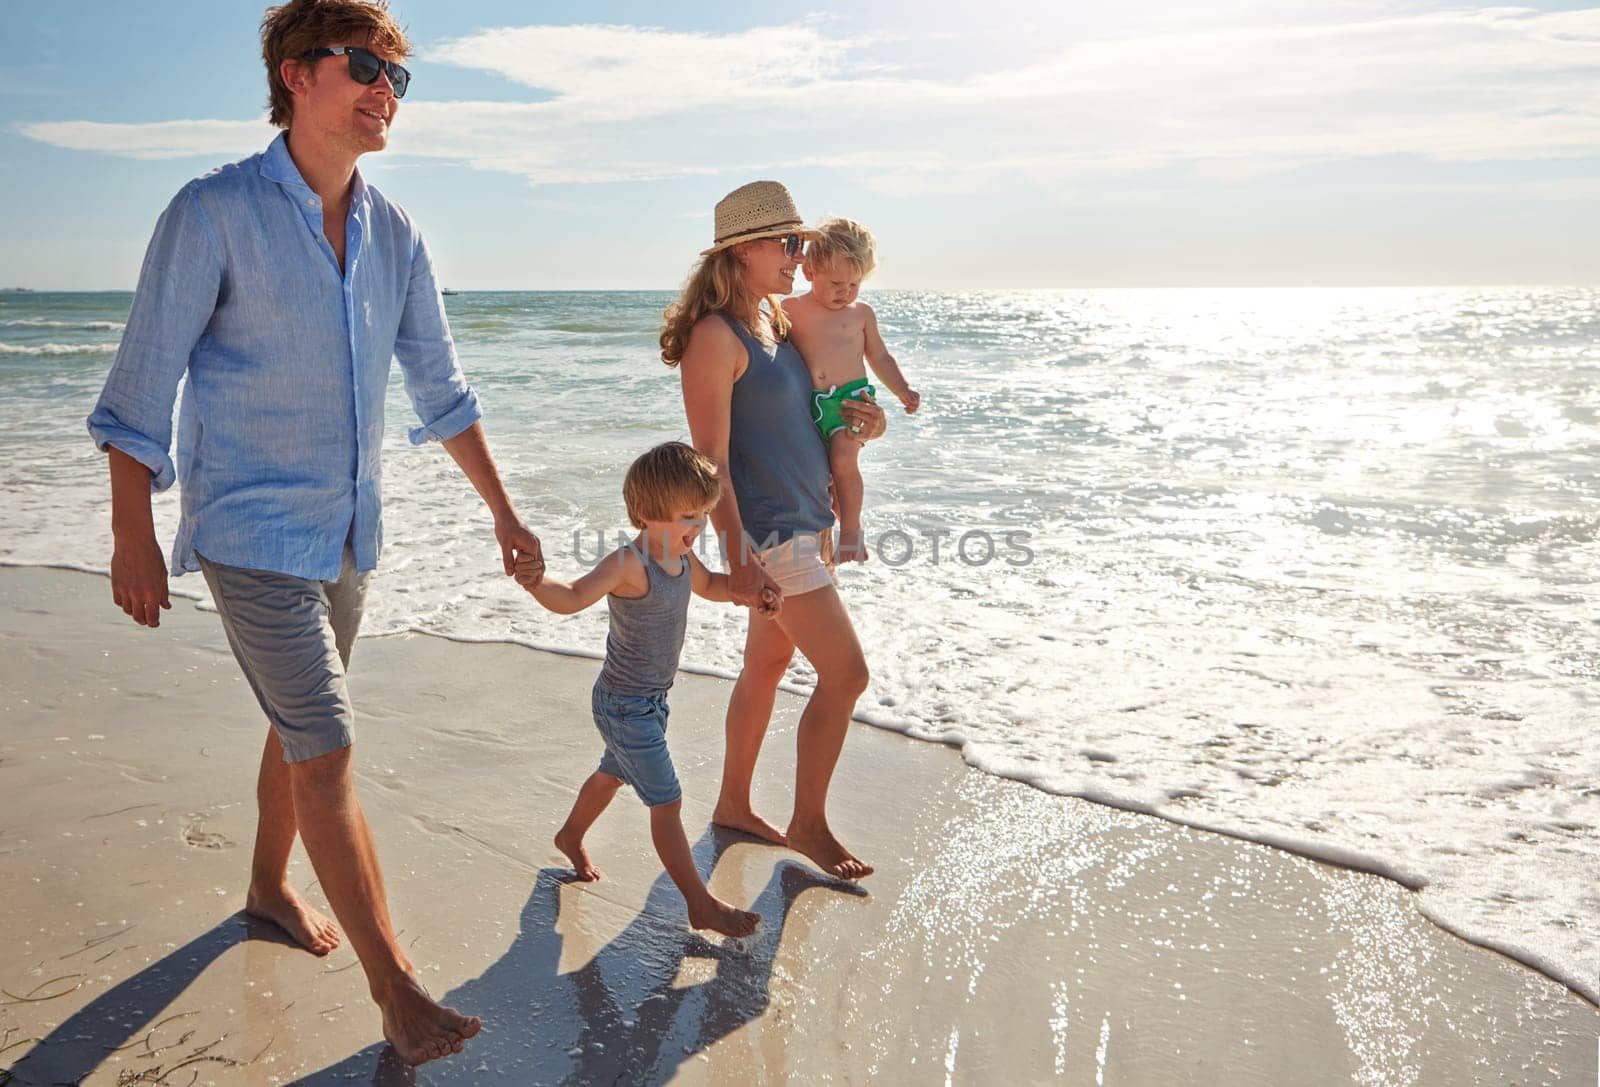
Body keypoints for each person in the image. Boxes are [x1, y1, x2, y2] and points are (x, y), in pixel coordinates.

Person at [84, 0, 539, 1067]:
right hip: (248, 529)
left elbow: (442, 388)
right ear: (297, 74)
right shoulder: (211, 211)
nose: (386, 89)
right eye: (365, 65)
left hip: (346, 532)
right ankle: (399, 991)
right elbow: (138, 389)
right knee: (327, 749)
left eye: (398, 75)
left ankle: (264, 885)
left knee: (298, 729)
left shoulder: (396, 232)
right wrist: (131, 534)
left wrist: (506, 511)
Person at [659, 180, 887, 882]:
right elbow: (712, 462)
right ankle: (808, 822)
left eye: (801, 243)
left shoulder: (776, 325)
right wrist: (738, 558)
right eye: (788, 243)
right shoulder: (714, 337)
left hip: (807, 524)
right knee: (847, 674)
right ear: (744, 250)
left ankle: (732, 803)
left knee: (766, 665)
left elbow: (812, 421)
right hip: (773, 537)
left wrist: (865, 426)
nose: (801, 254)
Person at [512, 442, 768, 937]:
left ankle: (570, 835)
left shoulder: (682, 559)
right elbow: (570, 598)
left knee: (612, 775)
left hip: (652, 703)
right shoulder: (629, 564)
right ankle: (700, 904)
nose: (697, 528)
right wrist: (537, 582)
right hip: (623, 705)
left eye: (704, 516)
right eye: (686, 516)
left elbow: (714, 585)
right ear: (645, 515)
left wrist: (750, 594)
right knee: (666, 801)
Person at [783, 217, 920, 562]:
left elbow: (880, 356)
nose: (845, 292)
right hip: (810, 407)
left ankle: (852, 532)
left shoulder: (860, 314)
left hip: (850, 402)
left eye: (855, 284)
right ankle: (838, 522)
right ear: (810, 271)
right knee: (824, 475)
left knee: (844, 457)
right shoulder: (790, 310)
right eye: (837, 283)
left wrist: (902, 389)